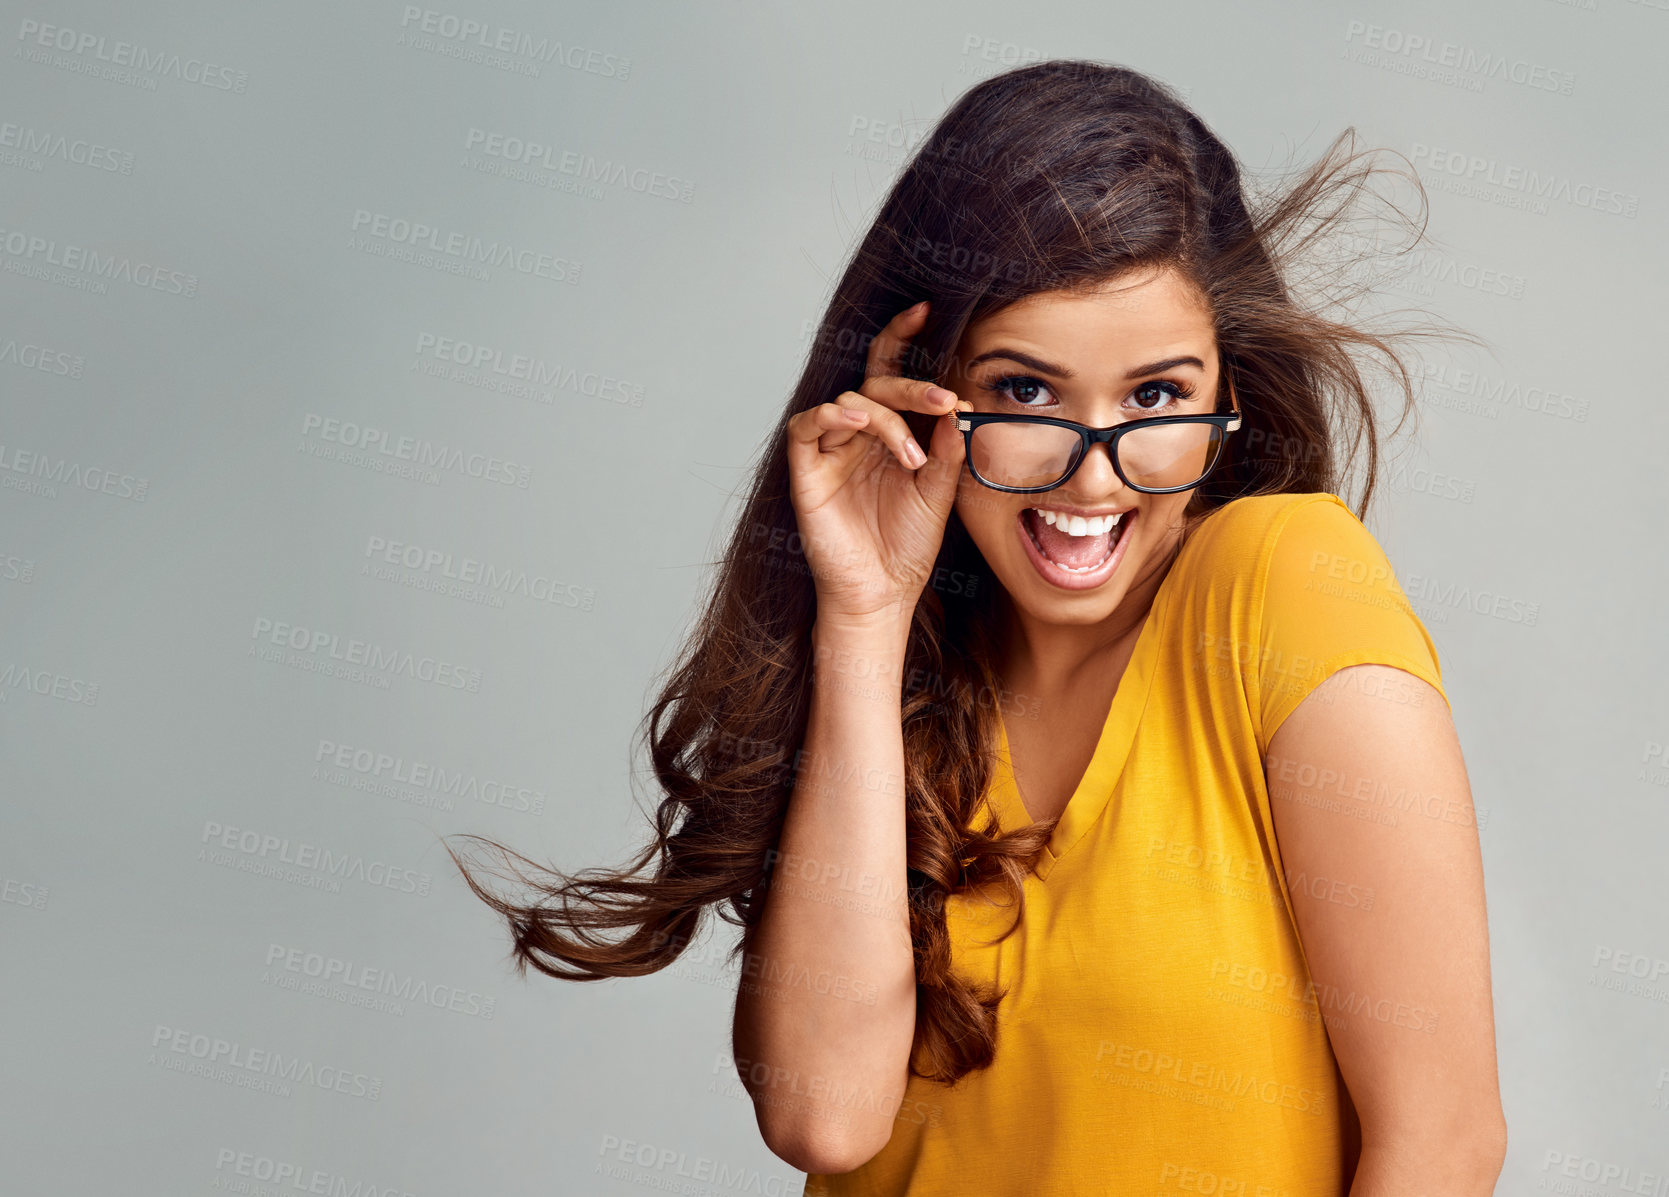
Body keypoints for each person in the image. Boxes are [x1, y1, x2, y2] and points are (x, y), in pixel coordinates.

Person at [444, 59, 1506, 1195]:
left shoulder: (1285, 586)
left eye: (1153, 398)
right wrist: (863, 616)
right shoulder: (910, 679)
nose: (1090, 478)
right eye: (1026, 394)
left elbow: (1440, 1145)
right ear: (921, 387)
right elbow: (823, 1118)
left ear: (1224, 393)